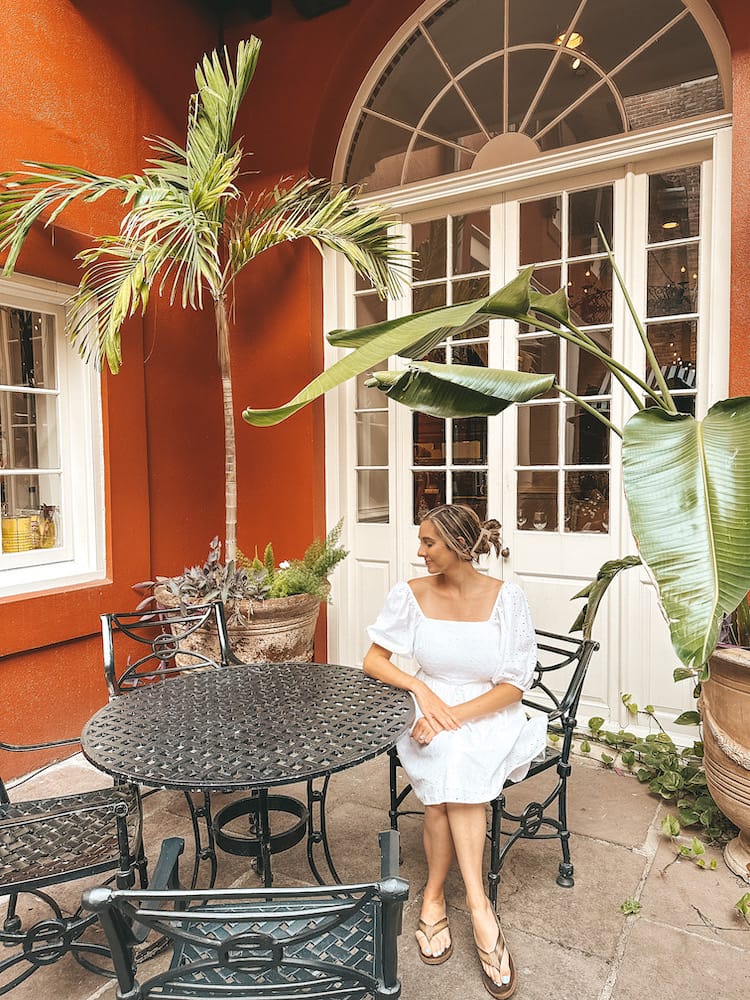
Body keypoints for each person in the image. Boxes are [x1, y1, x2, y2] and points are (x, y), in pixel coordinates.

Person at [363, 504, 546, 1000]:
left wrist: (455, 716)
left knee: (454, 770)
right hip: (428, 711)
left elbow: (513, 687)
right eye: (420, 541)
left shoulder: (507, 599)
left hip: (488, 713)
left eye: (429, 543)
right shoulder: (410, 594)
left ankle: (441, 898)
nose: (419, 552)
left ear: (461, 548)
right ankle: (476, 910)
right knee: (449, 766)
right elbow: (375, 660)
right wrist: (423, 695)